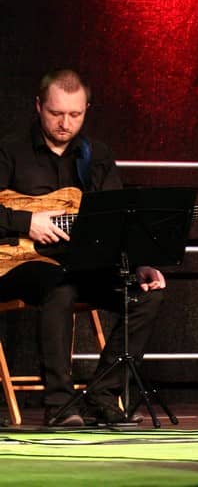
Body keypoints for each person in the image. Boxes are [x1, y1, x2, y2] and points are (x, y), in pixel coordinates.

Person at [0, 69, 166, 427]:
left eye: (75, 114)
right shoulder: (9, 150)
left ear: (87, 109)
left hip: (79, 264)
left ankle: (102, 395)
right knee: (60, 285)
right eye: (56, 113)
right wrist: (27, 222)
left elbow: (117, 218)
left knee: (145, 293)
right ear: (38, 106)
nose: (65, 123)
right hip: (15, 262)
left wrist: (139, 262)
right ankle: (59, 405)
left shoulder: (97, 155)